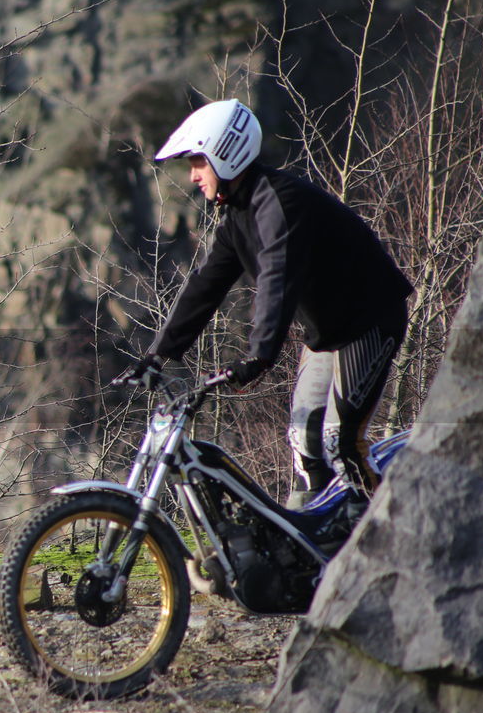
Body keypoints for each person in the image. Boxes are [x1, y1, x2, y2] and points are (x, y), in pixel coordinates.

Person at [121, 99, 413, 511]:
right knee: (304, 442)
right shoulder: (238, 217)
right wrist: (159, 354)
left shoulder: (279, 203)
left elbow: (276, 281)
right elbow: (204, 286)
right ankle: (311, 556)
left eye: (197, 164)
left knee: (339, 442)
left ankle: (394, 544)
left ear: (224, 154)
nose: (192, 177)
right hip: (327, 333)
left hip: (369, 320)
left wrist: (258, 357)